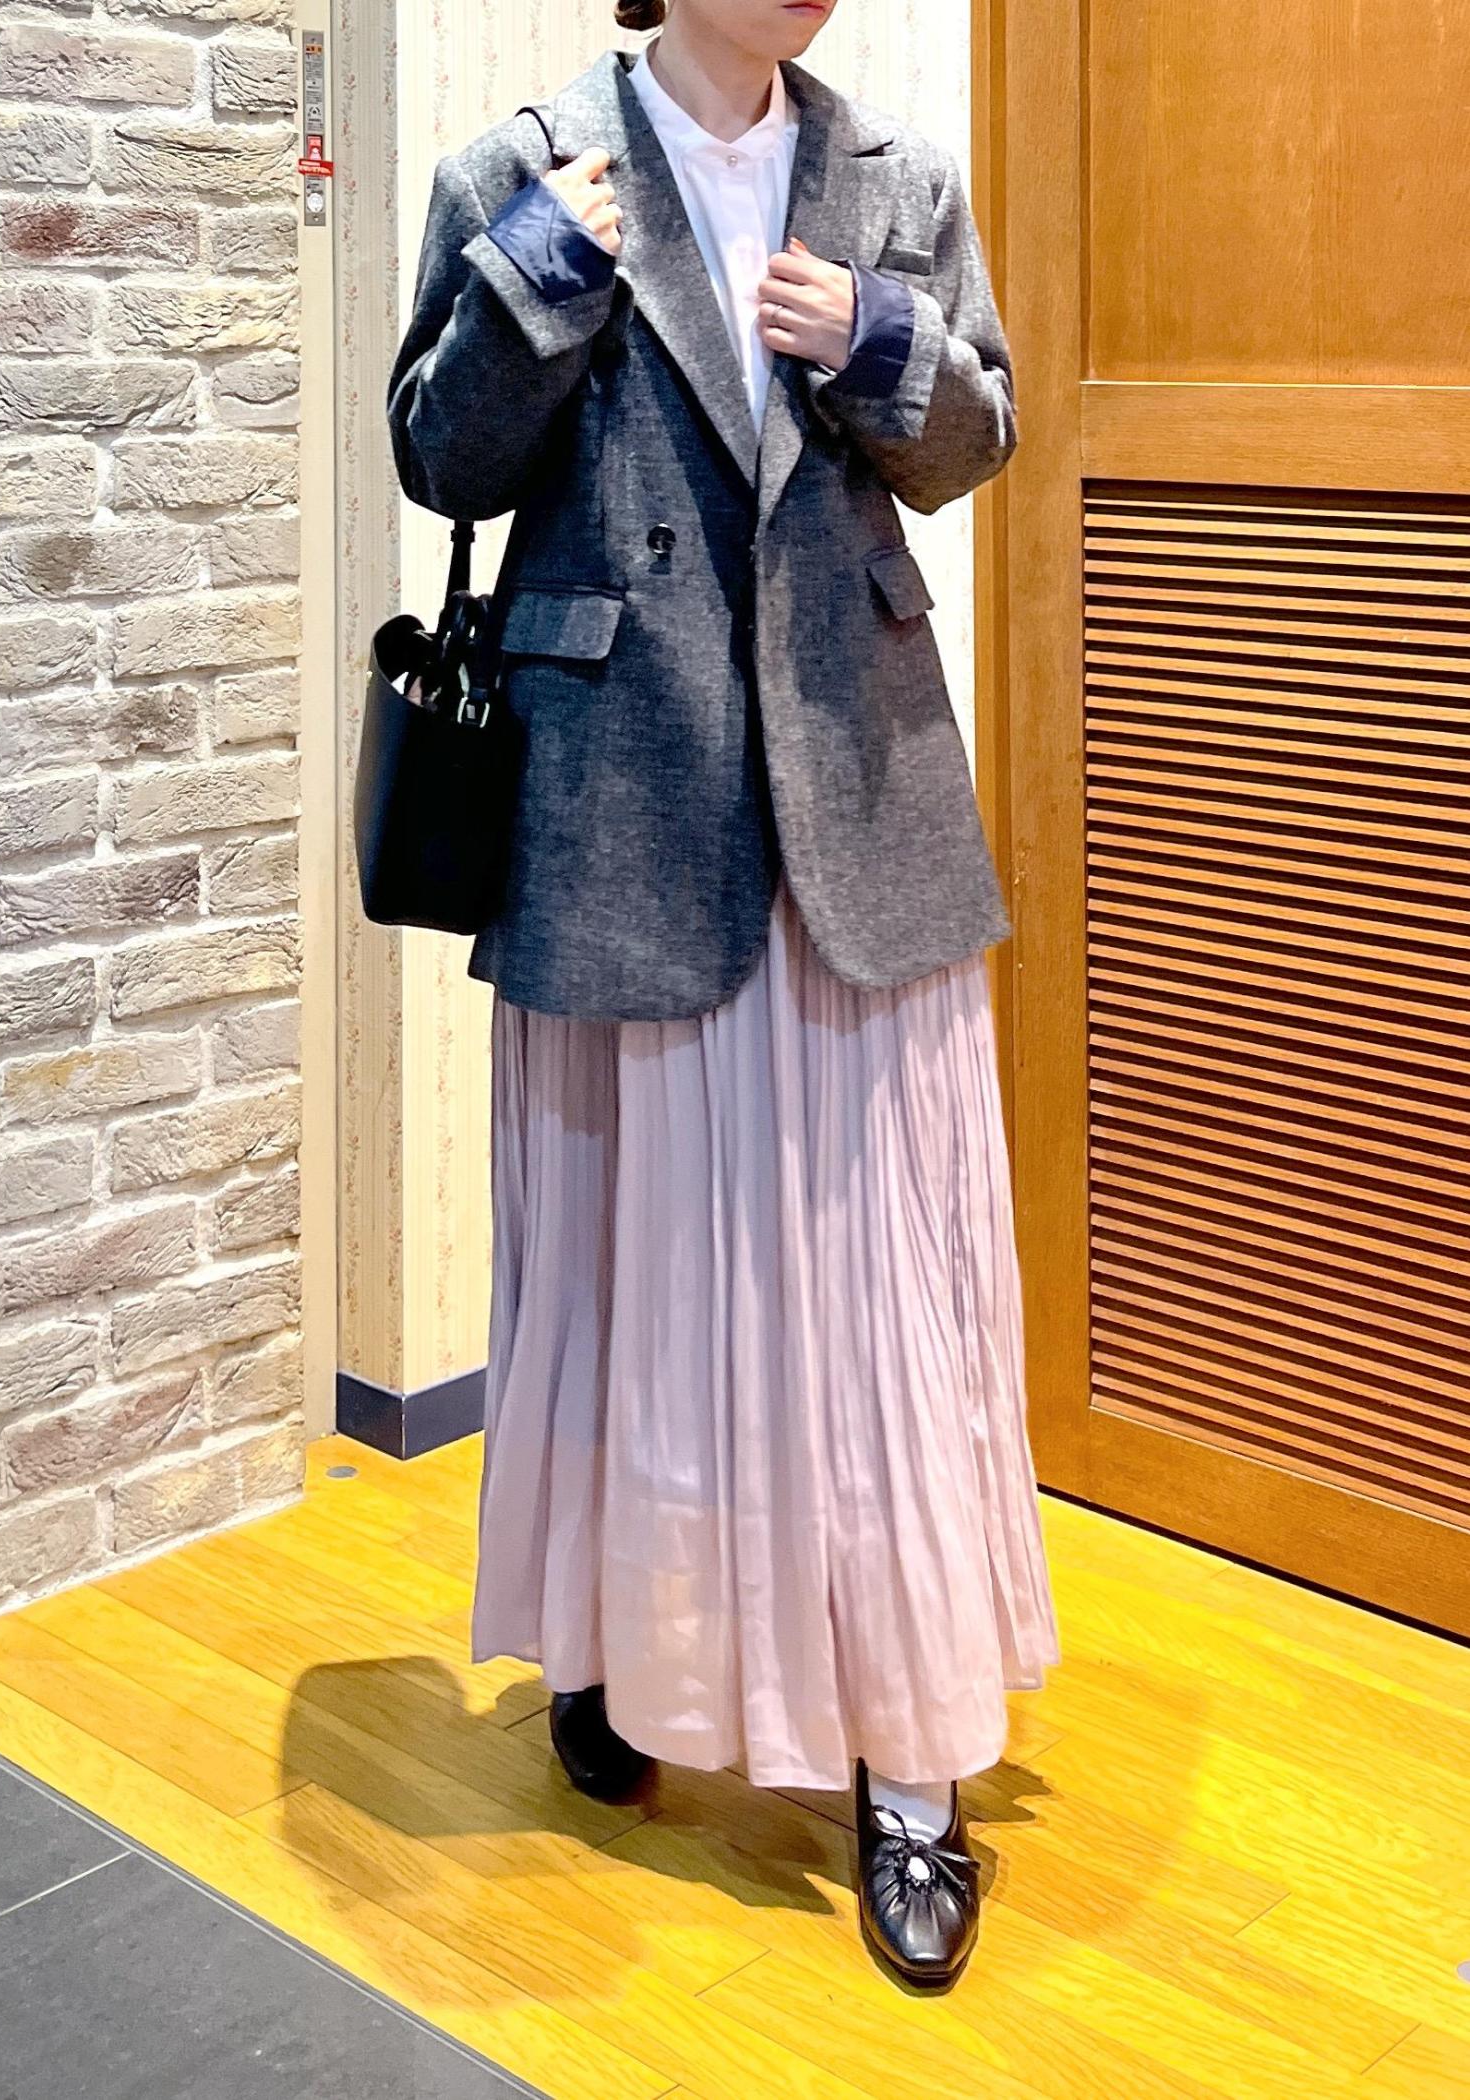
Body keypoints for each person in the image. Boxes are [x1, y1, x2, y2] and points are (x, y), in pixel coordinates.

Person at [386, 0, 1058, 1991]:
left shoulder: (896, 181)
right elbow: (436, 452)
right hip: (622, 810)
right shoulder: (525, 170)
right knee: (635, 1277)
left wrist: (877, 341)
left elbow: (980, 439)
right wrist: (536, 279)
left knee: (876, 1301)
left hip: (857, 804)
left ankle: (912, 1768)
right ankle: (623, 1645)